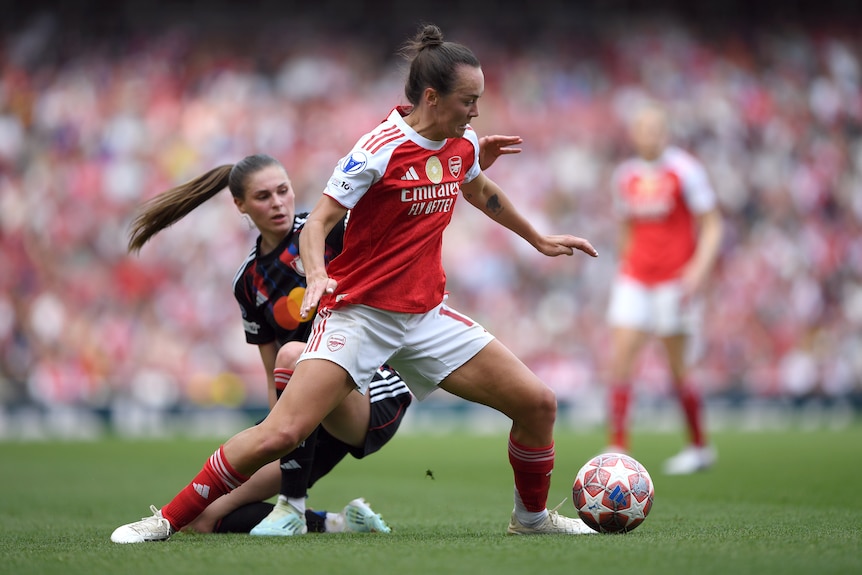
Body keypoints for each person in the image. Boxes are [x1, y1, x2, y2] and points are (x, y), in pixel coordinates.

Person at [110, 23, 598, 544]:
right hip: (360, 316)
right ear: (432, 98)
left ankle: (531, 520)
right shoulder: (376, 149)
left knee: (538, 403)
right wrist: (318, 275)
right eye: (468, 100)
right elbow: (317, 223)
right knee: (281, 433)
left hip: (425, 316)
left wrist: (537, 238)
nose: (476, 111)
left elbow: (478, 189)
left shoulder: (462, 142)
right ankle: (164, 520)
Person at [120, 132, 521, 539]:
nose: (278, 203)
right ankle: (339, 522)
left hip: (369, 388)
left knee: (295, 354)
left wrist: (457, 173)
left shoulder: (324, 230)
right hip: (307, 409)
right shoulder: (248, 281)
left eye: (283, 191)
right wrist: (279, 436)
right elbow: (271, 373)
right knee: (204, 520)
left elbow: (397, 219)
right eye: (263, 197)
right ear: (240, 205)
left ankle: (292, 504)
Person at [603, 100, 723, 475]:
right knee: (621, 358)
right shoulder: (625, 176)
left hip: (674, 280)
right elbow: (626, 227)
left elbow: (712, 224)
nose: (649, 136)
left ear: (665, 133)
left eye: (655, 129)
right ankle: (618, 447)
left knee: (677, 366)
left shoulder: (685, 170)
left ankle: (699, 446)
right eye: (643, 129)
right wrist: (624, 265)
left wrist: (698, 270)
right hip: (636, 277)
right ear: (634, 134)